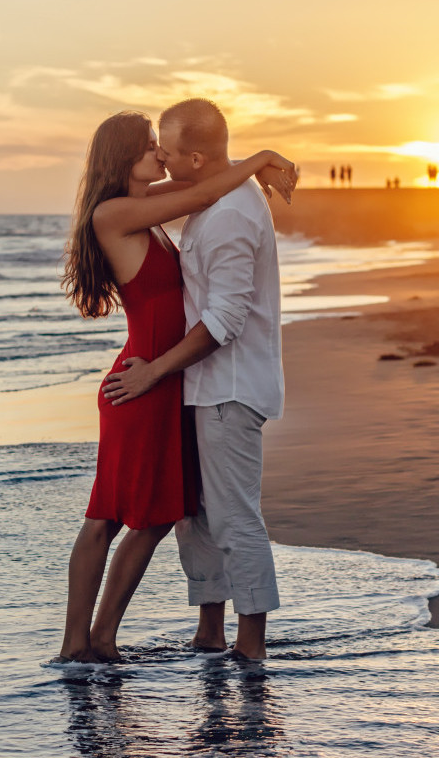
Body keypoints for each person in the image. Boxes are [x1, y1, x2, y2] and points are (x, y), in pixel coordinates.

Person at [56, 110, 296, 663]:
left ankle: (100, 641)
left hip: (164, 378)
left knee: (159, 515)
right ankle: (80, 644)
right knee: (110, 516)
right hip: (143, 380)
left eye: (161, 148)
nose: (159, 157)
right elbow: (199, 188)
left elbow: (199, 182)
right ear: (124, 159)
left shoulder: (144, 208)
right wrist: (258, 159)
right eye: (148, 149)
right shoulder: (118, 213)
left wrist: (243, 164)